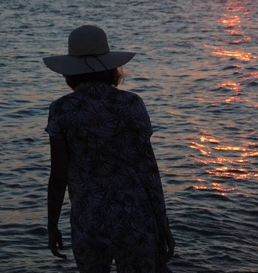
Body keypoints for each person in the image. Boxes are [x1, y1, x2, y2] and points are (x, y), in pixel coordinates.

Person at [43, 25, 174, 272]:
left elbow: (58, 177)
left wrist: (52, 225)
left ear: (71, 71)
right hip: (133, 216)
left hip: (88, 218)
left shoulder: (61, 109)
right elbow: (148, 169)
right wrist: (162, 222)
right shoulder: (132, 104)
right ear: (111, 67)